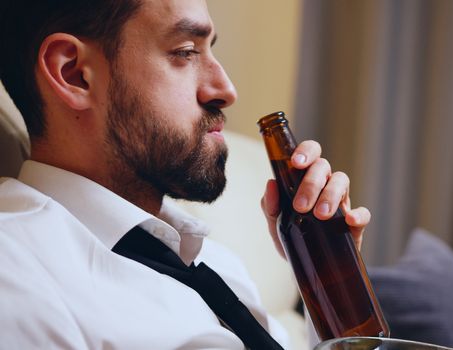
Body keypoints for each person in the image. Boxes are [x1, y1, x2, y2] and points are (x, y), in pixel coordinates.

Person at [0, 0, 371, 348]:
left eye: (210, 48)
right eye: (186, 51)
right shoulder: (18, 270)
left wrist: (324, 284)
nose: (226, 90)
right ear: (75, 74)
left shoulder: (216, 262)